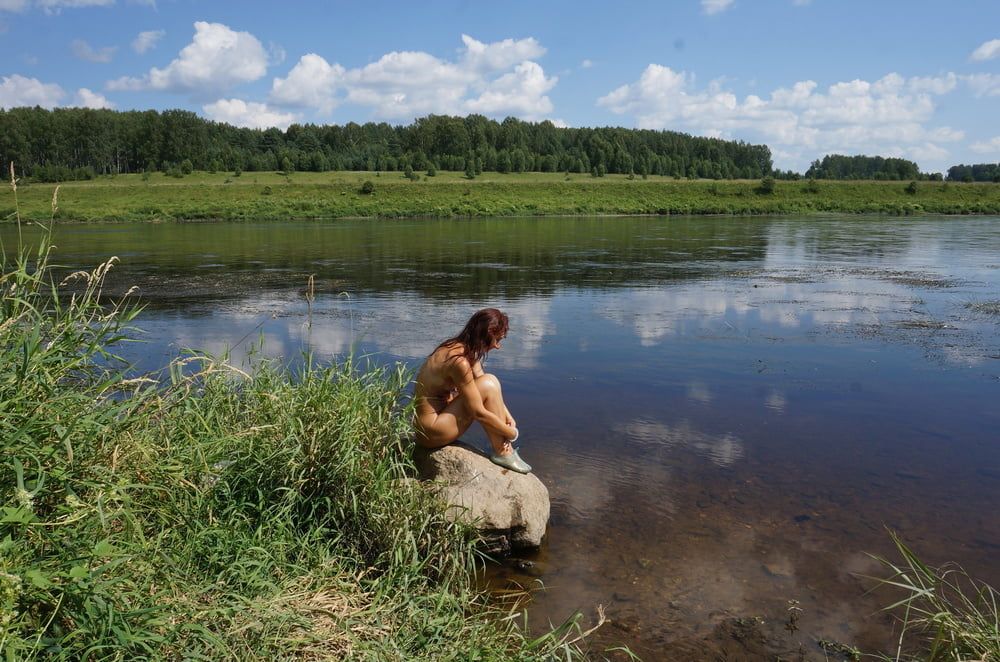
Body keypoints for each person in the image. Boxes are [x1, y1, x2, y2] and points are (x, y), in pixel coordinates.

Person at [413, 308, 531, 473]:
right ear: (488, 333)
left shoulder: (458, 347)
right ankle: (503, 452)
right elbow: (478, 412)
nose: (498, 346)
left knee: (490, 381)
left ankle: (503, 450)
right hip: (431, 431)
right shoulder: (459, 362)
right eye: (497, 339)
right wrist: (511, 433)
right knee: (490, 382)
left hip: (430, 424)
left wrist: (508, 416)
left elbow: (488, 387)